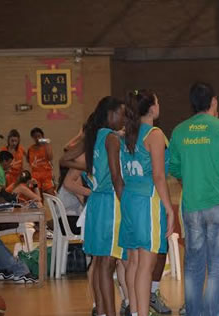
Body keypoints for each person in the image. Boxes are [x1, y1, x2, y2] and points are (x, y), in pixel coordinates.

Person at [169, 82, 219, 316]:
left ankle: (194, 313)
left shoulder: (179, 131)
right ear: (213, 102)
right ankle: (213, 313)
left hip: (192, 205)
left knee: (194, 265)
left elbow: (173, 167)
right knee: (217, 266)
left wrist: (193, 176)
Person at [119, 89, 174, 316]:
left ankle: (133, 311)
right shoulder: (154, 134)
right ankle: (142, 313)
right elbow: (159, 176)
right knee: (146, 264)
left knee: (132, 260)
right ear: (152, 108)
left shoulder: (125, 134)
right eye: (158, 101)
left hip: (129, 199)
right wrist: (169, 208)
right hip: (147, 200)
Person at [83, 96, 128, 316]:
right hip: (111, 203)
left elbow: (65, 157)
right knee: (108, 264)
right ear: (110, 113)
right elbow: (116, 177)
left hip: (95, 204)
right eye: (121, 112)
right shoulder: (111, 138)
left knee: (100, 263)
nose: (123, 117)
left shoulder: (94, 136)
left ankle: (101, 312)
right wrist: (126, 207)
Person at [27, 127, 55, 195]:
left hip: (46, 176)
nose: (37, 138)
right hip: (35, 176)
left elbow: (50, 157)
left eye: (39, 136)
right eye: (35, 137)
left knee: (51, 194)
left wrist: (46, 142)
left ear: (42, 136)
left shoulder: (46, 146)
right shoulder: (30, 149)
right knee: (37, 197)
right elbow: (29, 161)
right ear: (32, 137)